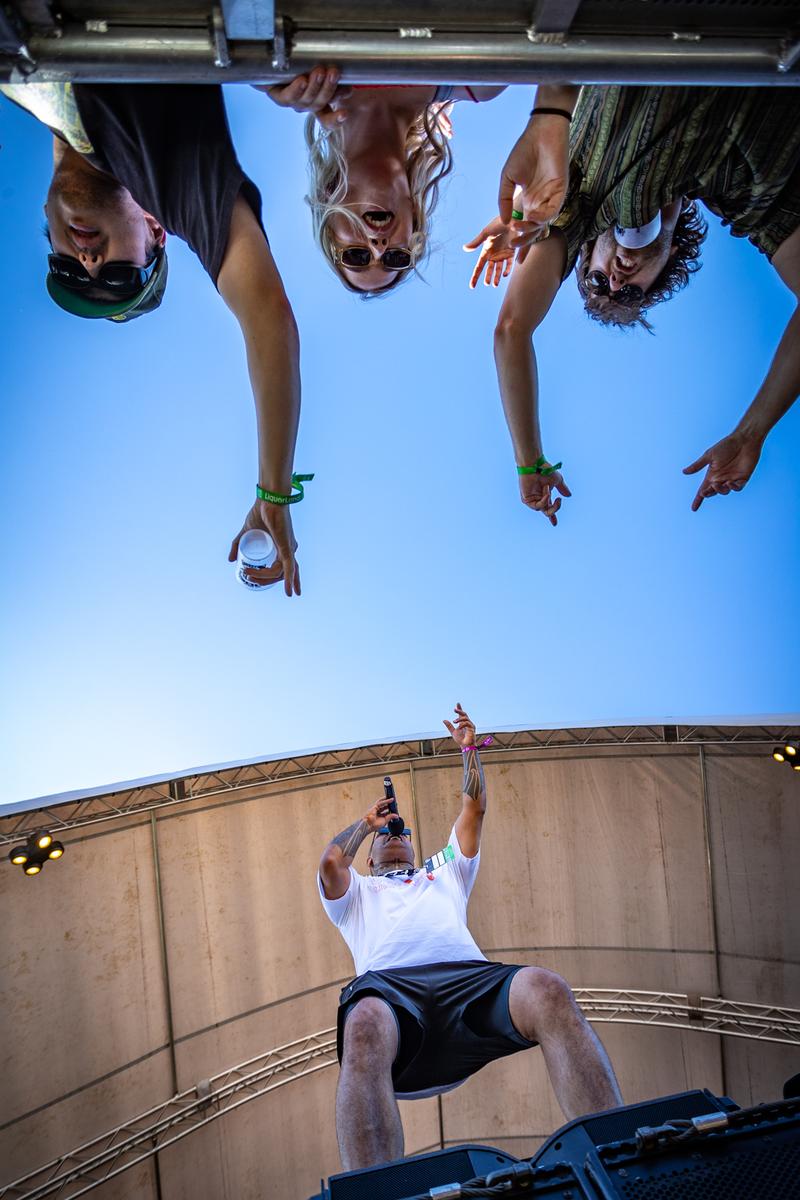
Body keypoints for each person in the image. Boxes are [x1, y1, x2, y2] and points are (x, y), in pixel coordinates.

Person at [0, 81, 305, 594]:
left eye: (71, 273)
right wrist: (272, 494)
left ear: (47, 231)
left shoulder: (22, 83)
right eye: (120, 276)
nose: (91, 264)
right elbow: (268, 319)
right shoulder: (171, 176)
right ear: (156, 229)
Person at [465, 84, 800, 521]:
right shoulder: (751, 201)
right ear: (663, 267)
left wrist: (530, 462)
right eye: (627, 292)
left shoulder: (575, 199)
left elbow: (512, 329)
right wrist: (751, 432)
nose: (616, 279)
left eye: (597, 280)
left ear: (586, 251)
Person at [318, 702, 622, 1171]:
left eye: (402, 831)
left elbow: (474, 808)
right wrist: (366, 824)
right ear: (371, 857)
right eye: (385, 836)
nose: (395, 833)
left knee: (547, 988)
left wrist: (469, 751)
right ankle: (372, 1186)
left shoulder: (443, 871)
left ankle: (613, 1150)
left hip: (469, 984)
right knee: (362, 1021)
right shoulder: (360, 892)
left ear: (417, 848)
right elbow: (330, 865)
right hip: (395, 1001)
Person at [262, 71, 505, 295]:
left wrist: (266, 81)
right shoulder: (480, 83)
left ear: (327, 199)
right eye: (396, 258)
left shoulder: (294, 80)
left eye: (356, 256)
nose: (379, 247)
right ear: (413, 218)